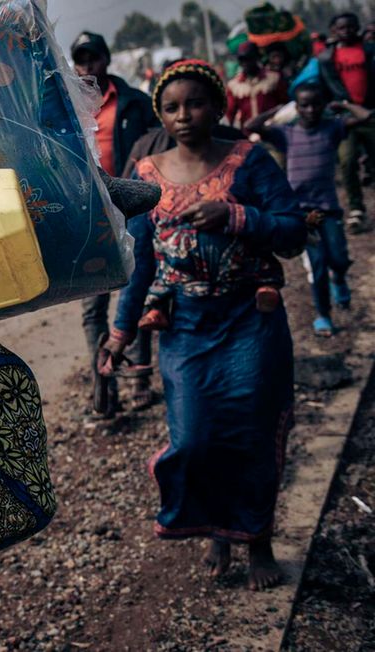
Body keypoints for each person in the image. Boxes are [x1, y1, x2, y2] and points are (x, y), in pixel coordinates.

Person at [99, 60, 306, 591]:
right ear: (160, 115)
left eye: (195, 104)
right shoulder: (146, 176)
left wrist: (235, 216)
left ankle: (256, 539)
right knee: (195, 438)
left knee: (251, 436)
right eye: (171, 107)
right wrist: (121, 334)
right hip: (184, 327)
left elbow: (292, 232)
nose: (184, 116)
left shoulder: (250, 162)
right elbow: (141, 262)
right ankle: (218, 528)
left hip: (249, 322)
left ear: (217, 106)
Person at [70, 30, 159, 411]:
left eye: (94, 57)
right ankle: (104, 387)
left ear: (107, 59)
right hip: (90, 216)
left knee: (134, 293)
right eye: (81, 58)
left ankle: (138, 375)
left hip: (132, 210)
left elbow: (155, 150)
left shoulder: (135, 103)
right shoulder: (67, 105)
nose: (88, 65)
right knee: (93, 304)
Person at [247, 83, 369, 337]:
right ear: (297, 107)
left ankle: (340, 279)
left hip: (329, 210)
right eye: (304, 105)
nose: (311, 109)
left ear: (323, 105)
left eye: (316, 104)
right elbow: (252, 127)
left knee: (338, 259)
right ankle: (323, 315)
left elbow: (366, 116)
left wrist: (343, 105)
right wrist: (277, 109)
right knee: (318, 265)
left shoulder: (332, 129)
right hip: (301, 214)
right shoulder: (287, 134)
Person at [317, 12, 375, 232]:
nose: (347, 31)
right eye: (342, 28)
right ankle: (356, 208)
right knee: (347, 161)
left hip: (370, 113)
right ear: (334, 31)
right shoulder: (326, 58)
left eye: (351, 27)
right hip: (343, 119)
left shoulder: (369, 52)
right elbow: (322, 88)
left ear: (357, 27)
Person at [225, 42, 288, 131]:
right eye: (241, 59)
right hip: (247, 136)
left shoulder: (274, 78)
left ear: (257, 57)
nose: (245, 63)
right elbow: (229, 115)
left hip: (273, 132)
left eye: (248, 58)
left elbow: (284, 105)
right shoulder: (234, 85)